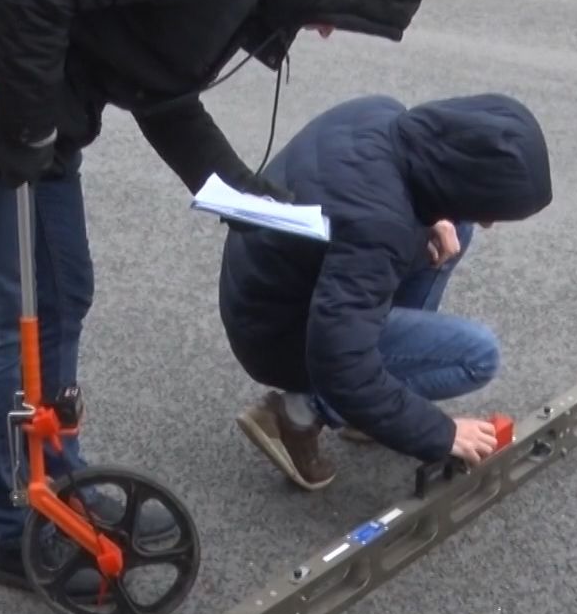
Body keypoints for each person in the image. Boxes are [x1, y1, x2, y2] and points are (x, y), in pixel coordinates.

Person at [0, 0, 431, 588]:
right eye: (339, 14)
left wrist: (240, 193)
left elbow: (157, 89)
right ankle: (16, 530)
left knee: (65, 292)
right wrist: (22, 123)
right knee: (2, 318)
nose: (324, 30)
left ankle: (59, 478)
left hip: (37, 115)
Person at [216, 93, 553, 490]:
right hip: (277, 334)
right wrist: (440, 434)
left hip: (265, 285)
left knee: (454, 226)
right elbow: (339, 362)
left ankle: (377, 403)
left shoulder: (382, 114)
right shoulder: (380, 226)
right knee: (477, 355)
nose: (492, 223)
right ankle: (300, 413)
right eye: (492, 208)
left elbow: (368, 217)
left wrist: (435, 216)